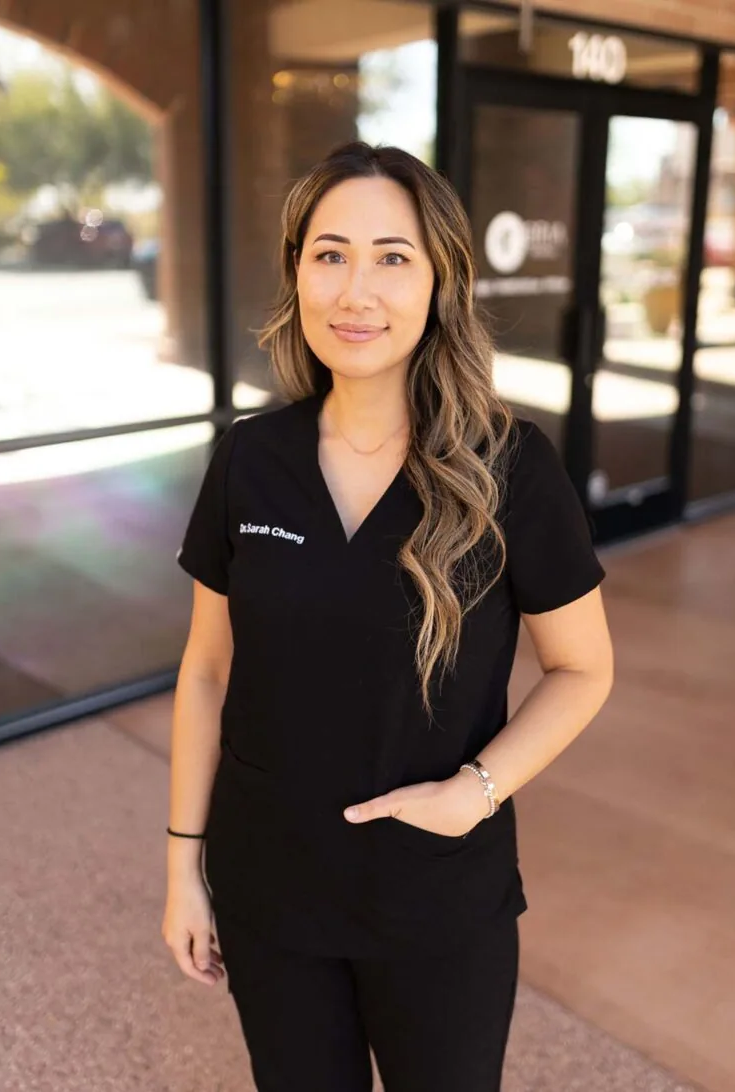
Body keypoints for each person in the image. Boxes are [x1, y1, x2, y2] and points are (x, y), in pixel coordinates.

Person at [162, 140, 613, 1092]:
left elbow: (583, 669)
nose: (355, 290)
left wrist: (477, 792)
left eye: (391, 257)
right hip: (269, 891)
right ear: (295, 273)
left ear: (442, 278)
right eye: (329, 254)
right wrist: (181, 868)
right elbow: (206, 671)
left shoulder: (512, 466)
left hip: (438, 901)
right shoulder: (251, 457)